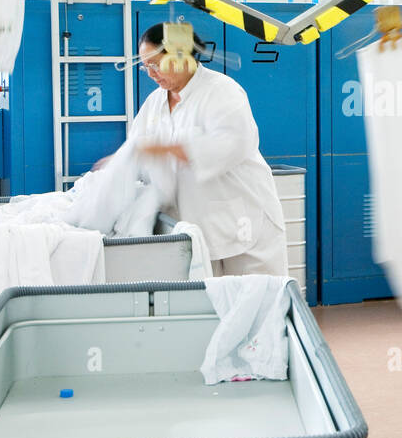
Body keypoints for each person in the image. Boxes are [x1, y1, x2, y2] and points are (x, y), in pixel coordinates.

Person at [103, 23, 289, 277]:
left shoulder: (222, 91)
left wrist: (159, 149)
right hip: (194, 225)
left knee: (258, 305)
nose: (151, 74)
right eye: (145, 66)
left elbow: (228, 145)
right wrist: (117, 167)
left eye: (156, 65)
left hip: (241, 223)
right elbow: (136, 148)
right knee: (208, 306)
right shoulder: (155, 102)